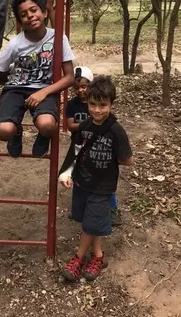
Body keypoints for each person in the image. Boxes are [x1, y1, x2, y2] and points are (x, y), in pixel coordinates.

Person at [59, 76, 133, 282]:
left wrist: (107, 158)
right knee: (89, 220)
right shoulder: (83, 127)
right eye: (93, 104)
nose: (97, 110)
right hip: (82, 181)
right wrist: (66, 173)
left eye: (103, 105)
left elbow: (127, 159)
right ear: (87, 102)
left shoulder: (116, 131)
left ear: (111, 104)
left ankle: (79, 257)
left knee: (90, 225)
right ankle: (99, 256)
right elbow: (75, 151)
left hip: (103, 186)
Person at [0, 0, 74, 157]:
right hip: (16, 89)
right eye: (24, 14)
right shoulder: (15, 44)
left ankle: (43, 135)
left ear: (43, 11)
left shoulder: (58, 38)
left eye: (34, 10)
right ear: (20, 20)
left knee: (47, 124)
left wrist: (43, 92)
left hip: (44, 88)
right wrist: (12, 78)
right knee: (4, 131)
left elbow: (70, 77)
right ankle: (17, 131)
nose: (30, 16)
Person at [66, 67, 122, 226]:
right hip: (81, 145)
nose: (80, 90)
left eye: (84, 86)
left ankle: (112, 211)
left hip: (100, 148)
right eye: (76, 87)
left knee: (104, 181)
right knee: (80, 177)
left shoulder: (96, 105)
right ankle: (80, 209)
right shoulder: (73, 105)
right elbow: (71, 126)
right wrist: (88, 125)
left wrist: (87, 125)